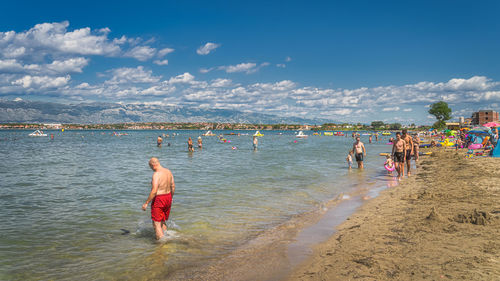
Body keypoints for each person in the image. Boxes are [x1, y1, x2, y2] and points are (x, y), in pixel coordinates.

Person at [142, 157, 175, 240]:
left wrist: (146, 203)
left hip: (159, 199)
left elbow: (154, 190)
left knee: (156, 224)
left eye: (150, 167)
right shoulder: (168, 171)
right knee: (162, 220)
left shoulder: (156, 174)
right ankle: (166, 236)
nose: (151, 170)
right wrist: (171, 198)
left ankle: (161, 246)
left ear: (153, 165)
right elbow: (173, 186)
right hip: (168, 197)